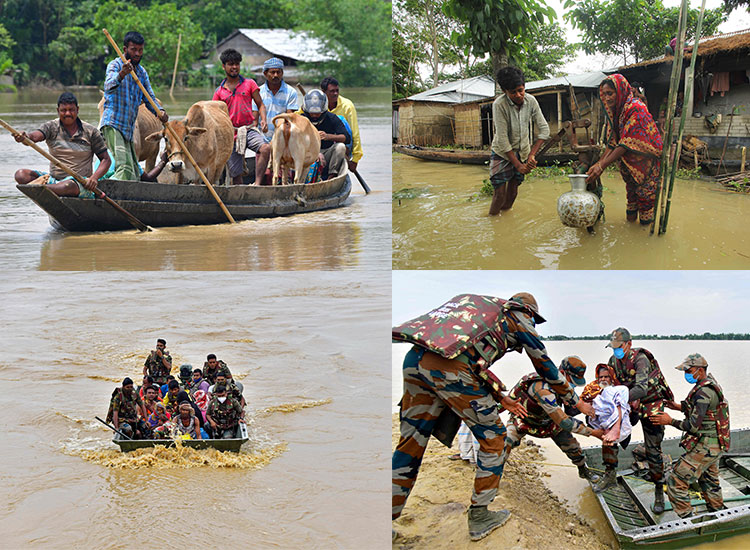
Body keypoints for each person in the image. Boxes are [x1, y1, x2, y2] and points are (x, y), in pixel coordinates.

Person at [392, 292, 594, 541]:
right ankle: (480, 515)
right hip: (449, 369)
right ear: (529, 312)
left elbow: (472, 362)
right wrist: (578, 403)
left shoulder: (478, 309)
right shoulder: (520, 316)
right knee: (495, 439)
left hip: (415, 359)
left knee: (410, 444)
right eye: (533, 320)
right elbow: (544, 364)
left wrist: (501, 397)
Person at [593, 328, 674, 515]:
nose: (615, 351)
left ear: (628, 344)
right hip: (628, 400)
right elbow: (610, 386)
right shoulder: (613, 361)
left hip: (650, 401)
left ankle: (658, 489)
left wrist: (620, 399)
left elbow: (642, 388)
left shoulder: (640, 359)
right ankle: (610, 474)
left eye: (618, 347)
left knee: (653, 448)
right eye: (612, 347)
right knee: (608, 431)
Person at [650, 354, 730, 518]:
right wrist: (677, 407)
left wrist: (669, 421)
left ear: (700, 370)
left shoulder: (703, 393)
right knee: (709, 481)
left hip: (706, 446)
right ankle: (718, 512)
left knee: (676, 480)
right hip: (716, 445)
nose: (686, 373)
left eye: (689, 370)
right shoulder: (709, 385)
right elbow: (703, 412)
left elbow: (692, 426)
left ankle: (688, 519)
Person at [501, 356, 603, 482]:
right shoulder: (542, 389)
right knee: (504, 443)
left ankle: (583, 470)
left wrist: (583, 406)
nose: (572, 386)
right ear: (562, 373)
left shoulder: (560, 384)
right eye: (572, 381)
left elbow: (575, 401)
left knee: (572, 447)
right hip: (524, 419)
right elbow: (565, 422)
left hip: (549, 423)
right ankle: (494, 477)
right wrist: (593, 433)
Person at [586, 74, 663, 225]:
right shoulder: (615, 112)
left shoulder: (636, 108)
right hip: (630, 169)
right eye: (605, 94)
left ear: (620, 91)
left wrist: (601, 166)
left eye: (610, 93)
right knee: (631, 203)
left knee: (645, 207)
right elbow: (612, 143)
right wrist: (597, 164)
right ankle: (632, 234)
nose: (607, 98)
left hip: (646, 167)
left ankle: (644, 240)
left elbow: (626, 144)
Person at [13, 92, 110, 198]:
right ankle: (46, 189)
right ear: (58, 111)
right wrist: (25, 137)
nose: (67, 113)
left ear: (77, 110)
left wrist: (94, 179)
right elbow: (34, 137)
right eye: (63, 110)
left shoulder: (91, 132)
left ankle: (40, 190)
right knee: (21, 174)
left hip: (79, 184)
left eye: (71, 110)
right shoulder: (51, 127)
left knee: (68, 186)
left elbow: (106, 160)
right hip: (54, 180)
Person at [100, 31, 168, 181]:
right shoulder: (115, 65)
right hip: (113, 124)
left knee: (133, 173)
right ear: (125, 49)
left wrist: (160, 112)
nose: (137, 54)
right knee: (124, 167)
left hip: (128, 129)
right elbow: (108, 86)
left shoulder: (142, 73)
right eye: (134, 50)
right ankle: (101, 192)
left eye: (140, 50)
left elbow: (149, 98)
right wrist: (122, 74)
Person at [489, 66, 550, 215]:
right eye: (513, 92)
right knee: (499, 195)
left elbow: (544, 130)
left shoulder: (531, 101)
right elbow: (502, 139)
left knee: (513, 194)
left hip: (522, 152)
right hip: (502, 153)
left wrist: (531, 155)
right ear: (505, 91)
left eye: (521, 90)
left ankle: (506, 220)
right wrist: (518, 165)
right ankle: (493, 221)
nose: (518, 95)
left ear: (524, 87)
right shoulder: (499, 104)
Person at [212, 48, 269, 185]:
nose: (234, 67)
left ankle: (257, 183)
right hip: (230, 134)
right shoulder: (219, 92)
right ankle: (241, 194)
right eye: (231, 64)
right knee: (236, 175)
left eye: (237, 64)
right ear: (223, 66)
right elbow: (214, 115)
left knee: (266, 149)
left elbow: (260, 104)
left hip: (248, 129)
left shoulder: (249, 84)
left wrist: (263, 120)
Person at [300, 89, 349, 179]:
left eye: (317, 114)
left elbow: (346, 137)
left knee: (340, 147)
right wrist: (316, 154)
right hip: (307, 154)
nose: (314, 116)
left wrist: (328, 136)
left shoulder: (332, 118)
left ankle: (332, 176)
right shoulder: (301, 119)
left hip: (327, 153)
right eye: (312, 113)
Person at [321, 76, 362, 172]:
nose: (335, 94)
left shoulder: (347, 105)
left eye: (337, 91)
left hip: (343, 143)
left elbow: (355, 132)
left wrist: (355, 159)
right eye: (332, 91)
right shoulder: (316, 103)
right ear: (323, 92)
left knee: (340, 119)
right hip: (323, 143)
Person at [255, 57, 299, 143]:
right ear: (265, 73)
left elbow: (289, 118)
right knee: (263, 152)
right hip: (262, 138)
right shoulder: (258, 92)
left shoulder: (291, 92)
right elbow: (255, 119)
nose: (276, 75)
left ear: (282, 73)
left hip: (283, 138)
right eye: (272, 72)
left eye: (278, 72)